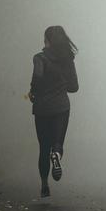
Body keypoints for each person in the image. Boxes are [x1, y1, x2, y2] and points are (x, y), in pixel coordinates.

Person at [28, 26, 79, 197]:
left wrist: (33, 92)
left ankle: (44, 185)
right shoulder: (67, 60)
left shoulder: (39, 58)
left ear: (48, 41)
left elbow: (37, 78)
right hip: (61, 107)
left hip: (42, 107)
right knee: (57, 143)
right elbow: (74, 87)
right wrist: (61, 84)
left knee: (43, 146)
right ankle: (56, 155)